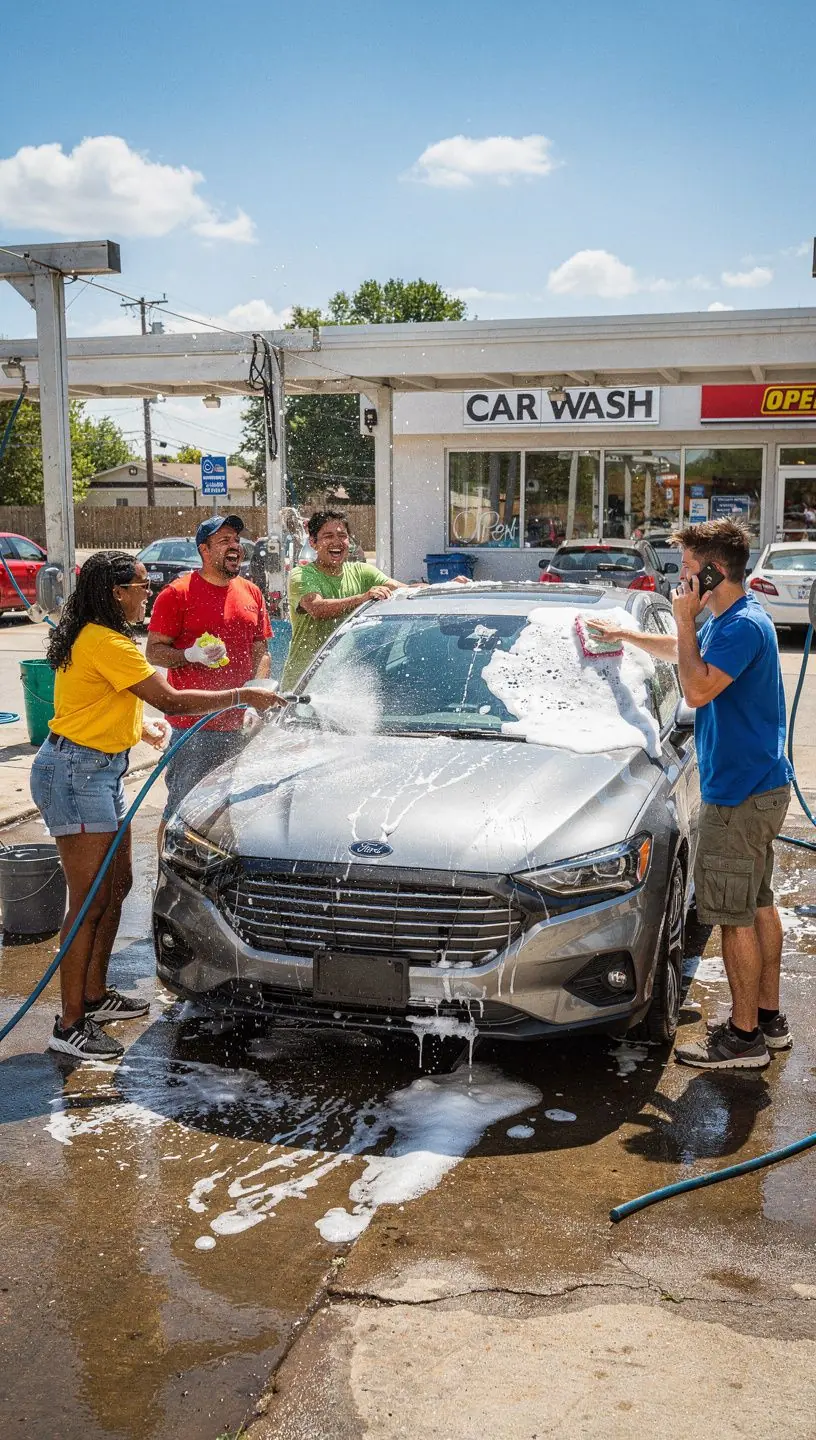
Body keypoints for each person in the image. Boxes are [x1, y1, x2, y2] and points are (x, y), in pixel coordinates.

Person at [29, 551, 284, 1063]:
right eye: (142, 584)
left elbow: (91, 700)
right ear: (116, 591)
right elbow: (170, 698)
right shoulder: (105, 640)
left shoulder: (103, 639)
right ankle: (70, 1022)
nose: (148, 592)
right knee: (88, 902)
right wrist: (243, 693)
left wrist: (135, 728)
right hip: (76, 774)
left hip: (97, 768)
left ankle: (95, 997)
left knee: (115, 887)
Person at [587, 517, 792, 1071]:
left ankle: (742, 1039)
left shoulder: (741, 626)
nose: (680, 581)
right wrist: (628, 636)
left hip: (739, 794)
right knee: (758, 902)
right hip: (760, 785)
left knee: (733, 917)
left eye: (686, 571)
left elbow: (697, 687)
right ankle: (768, 1019)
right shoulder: (730, 620)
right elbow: (687, 653)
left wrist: (681, 619)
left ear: (712, 574)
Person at [146, 515, 272, 842]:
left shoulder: (251, 592)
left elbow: (263, 652)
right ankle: (167, 879)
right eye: (224, 541)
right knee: (180, 812)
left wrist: (254, 700)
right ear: (204, 549)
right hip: (193, 729)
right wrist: (189, 654)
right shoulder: (177, 594)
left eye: (236, 540)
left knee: (230, 811)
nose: (235, 547)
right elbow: (154, 652)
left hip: (241, 726)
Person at [280, 510, 416, 689]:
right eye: (328, 536)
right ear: (313, 543)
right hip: (303, 684)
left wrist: (448, 586)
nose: (336, 542)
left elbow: (404, 590)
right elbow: (317, 608)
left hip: (342, 684)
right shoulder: (302, 575)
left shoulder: (362, 572)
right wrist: (363, 597)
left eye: (342, 536)